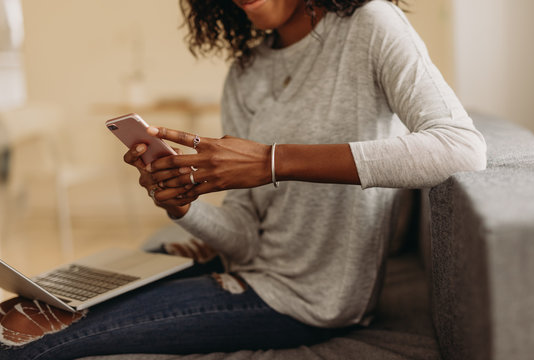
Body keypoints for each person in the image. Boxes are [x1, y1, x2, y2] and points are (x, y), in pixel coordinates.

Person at [0, 0, 486, 358]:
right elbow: (246, 240)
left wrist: (273, 161)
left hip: (304, 300)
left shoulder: (371, 26)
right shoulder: (246, 72)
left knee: (27, 343)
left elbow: (461, 148)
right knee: (25, 307)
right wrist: (182, 206)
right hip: (244, 268)